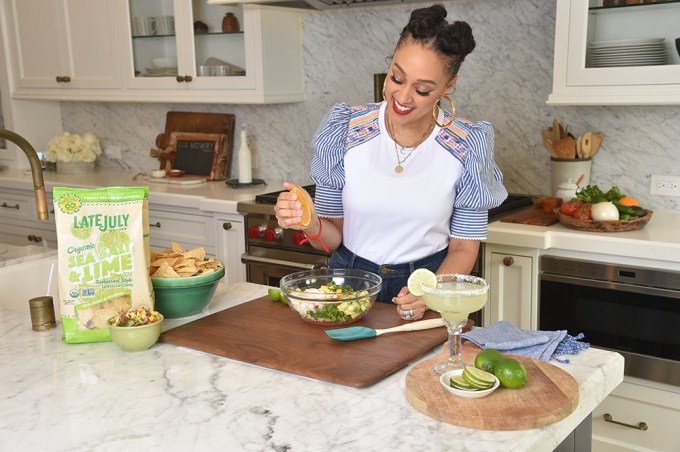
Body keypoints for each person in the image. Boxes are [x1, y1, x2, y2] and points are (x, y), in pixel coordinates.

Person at [274, 4, 507, 321]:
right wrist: (309, 223)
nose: (403, 97)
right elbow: (332, 240)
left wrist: (430, 292)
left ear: (448, 86)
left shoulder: (468, 145)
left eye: (422, 89)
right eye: (396, 77)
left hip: (424, 285)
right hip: (349, 282)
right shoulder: (345, 130)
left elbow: (464, 249)